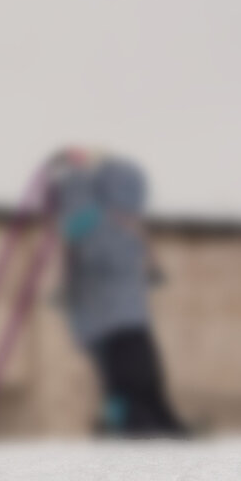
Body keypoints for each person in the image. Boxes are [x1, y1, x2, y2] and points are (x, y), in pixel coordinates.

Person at [45, 148, 187, 437]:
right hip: (107, 320)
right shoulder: (92, 222)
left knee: (146, 376)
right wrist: (76, 172)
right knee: (126, 379)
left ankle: (160, 419)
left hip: (128, 317)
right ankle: (127, 423)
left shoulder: (124, 226)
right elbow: (77, 212)